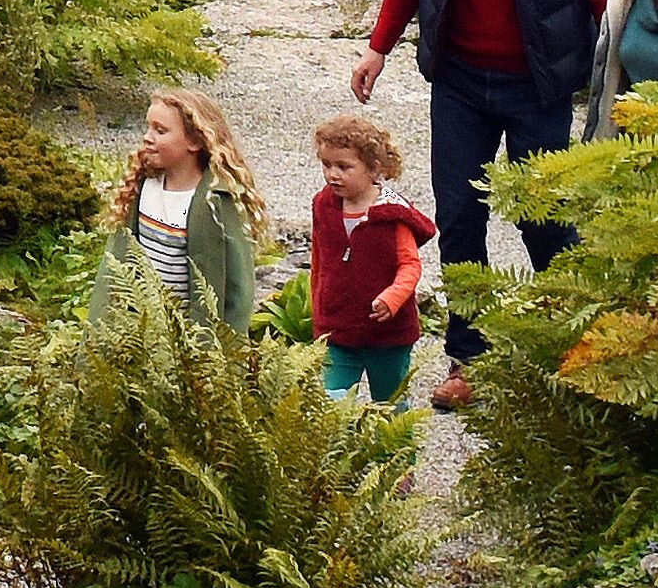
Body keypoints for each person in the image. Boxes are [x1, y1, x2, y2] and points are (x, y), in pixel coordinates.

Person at [351, 0, 604, 401]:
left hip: (537, 81)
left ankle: (569, 346)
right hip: (460, 79)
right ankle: (470, 360)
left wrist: (621, 70)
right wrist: (380, 47)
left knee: (543, 220)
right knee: (460, 217)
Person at [301, 108, 433, 406]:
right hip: (337, 331)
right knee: (329, 405)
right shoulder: (324, 206)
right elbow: (319, 261)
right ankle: (341, 452)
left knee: (391, 408)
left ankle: (396, 454)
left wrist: (393, 297)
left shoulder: (392, 215)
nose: (332, 174)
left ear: (374, 169)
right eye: (326, 165)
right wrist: (319, 308)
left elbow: (410, 265)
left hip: (387, 336)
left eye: (344, 167)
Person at [122, 92, 266, 330]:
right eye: (148, 128)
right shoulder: (144, 186)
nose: (147, 138)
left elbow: (238, 288)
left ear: (194, 141)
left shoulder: (216, 200)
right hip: (146, 330)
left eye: (160, 131)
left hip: (192, 339)